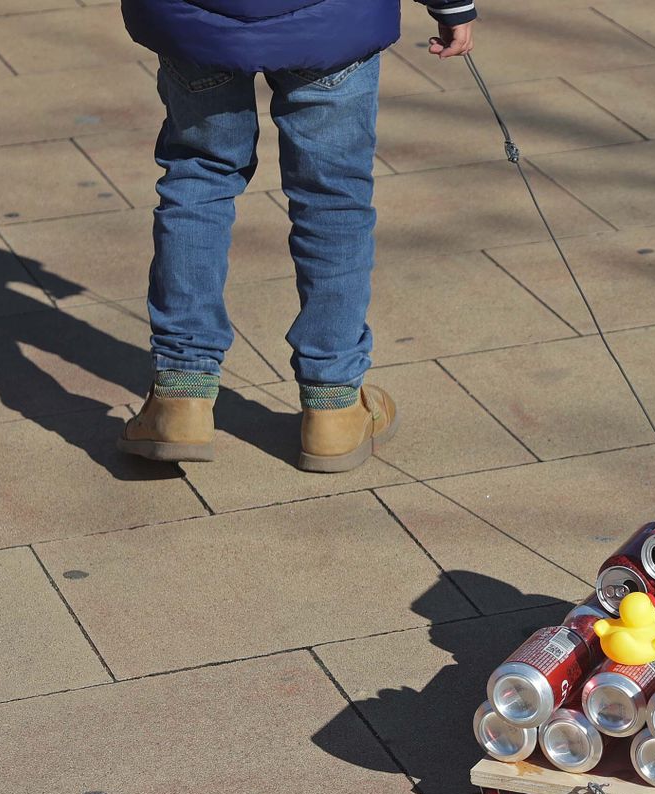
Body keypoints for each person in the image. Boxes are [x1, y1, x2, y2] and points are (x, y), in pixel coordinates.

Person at [115, 0, 477, 472]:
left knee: (198, 179)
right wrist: (452, 6)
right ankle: (333, 405)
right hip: (331, 19)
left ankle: (179, 397)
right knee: (333, 197)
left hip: (196, 17)